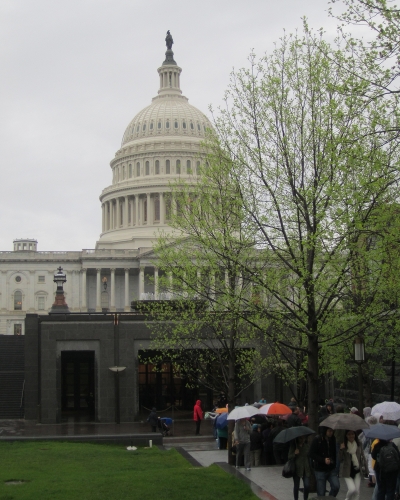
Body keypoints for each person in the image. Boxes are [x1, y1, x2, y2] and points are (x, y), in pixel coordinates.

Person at [309, 426, 340, 497]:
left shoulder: (333, 439)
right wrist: (323, 460)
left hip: (331, 468)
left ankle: (330, 498)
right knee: (321, 492)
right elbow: (311, 453)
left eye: (332, 431)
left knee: (336, 486)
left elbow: (334, 453)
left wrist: (334, 463)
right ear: (325, 431)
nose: (331, 433)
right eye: (329, 431)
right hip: (320, 469)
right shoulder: (317, 439)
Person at [339, 430, 364, 500]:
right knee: (352, 489)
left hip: (357, 470)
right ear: (346, 436)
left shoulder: (359, 444)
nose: (351, 436)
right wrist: (341, 449)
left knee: (357, 492)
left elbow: (362, 456)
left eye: (352, 434)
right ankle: (347, 498)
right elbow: (340, 459)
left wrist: (366, 469)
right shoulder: (344, 445)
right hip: (347, 472)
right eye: (349, 434)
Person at [288, 435, 310, 500]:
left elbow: (309, 456)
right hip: (297, 468)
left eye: (303, 438)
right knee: (296, 486)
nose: (302, 439)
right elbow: (289, 457)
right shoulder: (294, 446)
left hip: (306, 468)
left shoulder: (306, 446)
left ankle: (305, 498)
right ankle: (296, 498)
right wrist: (294, 454)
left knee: (307, 485)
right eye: (301, 438)